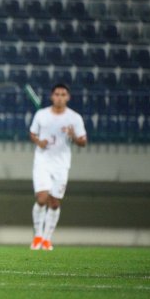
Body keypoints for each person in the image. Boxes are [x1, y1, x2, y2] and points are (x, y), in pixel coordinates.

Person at [29, 83, 87, 251]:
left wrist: (73, 136)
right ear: (52, 96)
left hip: (61, 164)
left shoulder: (74, 118)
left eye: (63, 94)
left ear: (68, 97)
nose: (60, 97)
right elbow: (32, 133)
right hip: (42, 161)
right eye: (57, 94)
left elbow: (83, 141)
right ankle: (37, 236)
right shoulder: (41, 115)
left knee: (54, 202)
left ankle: (47, 239)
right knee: (41, 197)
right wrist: (39, 141)